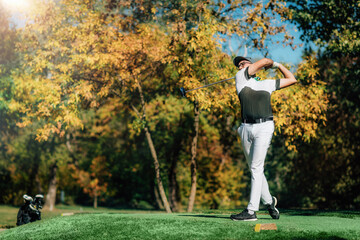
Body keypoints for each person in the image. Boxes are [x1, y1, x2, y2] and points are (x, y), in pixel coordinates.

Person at [230, 56, 297, 221]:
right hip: (245, 128)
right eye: (238, 65)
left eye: (243, 63)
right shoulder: (240, 78)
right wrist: (268, 63)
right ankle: (269, 202)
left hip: (264, 126)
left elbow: (292, 79)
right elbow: (264, 61)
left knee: (256, 167)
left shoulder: (267, 83)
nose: (240, 66)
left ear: (250, 65)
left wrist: (278, 64)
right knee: (255, 169)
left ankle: (251, 211)